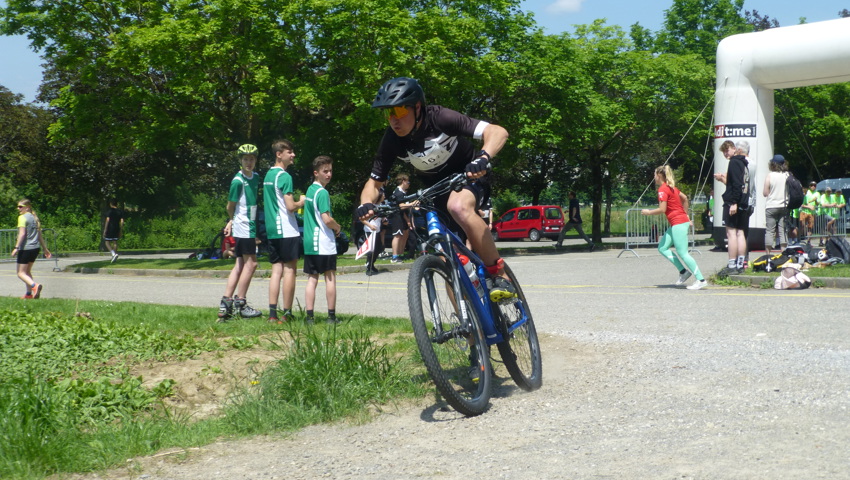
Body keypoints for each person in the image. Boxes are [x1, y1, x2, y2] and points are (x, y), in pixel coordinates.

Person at [356, 77, 514, 302]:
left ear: (417, 107)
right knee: (449, 261)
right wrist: (365, 204)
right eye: (388, 113)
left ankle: (499, 275)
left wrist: (483, 157)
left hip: (469, 176)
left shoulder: (440, 117)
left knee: (458, 206)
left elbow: (497, 132)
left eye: (399, 110)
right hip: (437, 191)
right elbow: (373, 184)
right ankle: (467, 323)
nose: (393, 119)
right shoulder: (391, 140)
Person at [641, 166, 707, 290]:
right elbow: (685, 198)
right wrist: (686, 215)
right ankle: (683, 272)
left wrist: (648, 212)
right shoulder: (671, 188)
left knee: (683, 253)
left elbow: (662, 209)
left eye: (654, 175)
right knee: (662, 248)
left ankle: (701, 279)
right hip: (678, 222)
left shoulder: (662, 189)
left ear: (659, 176)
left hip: (678, 223)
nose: (654, 177)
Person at [217, 144, 263, 322]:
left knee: (240, 264)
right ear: (240, 161)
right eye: (245, 159)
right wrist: (232, 220)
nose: (248, 162)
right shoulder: (238, 181)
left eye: (251, 159)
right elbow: (230, 206)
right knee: (252, 264)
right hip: (244, 226)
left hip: (249, 224)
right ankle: (241, 303)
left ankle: (225, 304)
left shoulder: (255, 177)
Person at [264, 139, 305, 323]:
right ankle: (286, 314)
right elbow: (290, 206)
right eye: (289, 152)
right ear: (279, 154)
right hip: (287, 230)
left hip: (272, 229)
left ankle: (272, 314)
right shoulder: (285, 176)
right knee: (289, 271)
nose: (293, 154)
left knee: (276, 271)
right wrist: (301, 202)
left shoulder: (268, 175)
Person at [303, 155, 342, 324]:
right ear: (316, 173)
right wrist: (337, 227)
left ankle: (309, 317)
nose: (329, 174)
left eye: (330, 171)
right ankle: (331, 316)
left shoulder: (310, 190)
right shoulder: (323, 193)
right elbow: (326, 219)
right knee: (330, 278)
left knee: (312, 279)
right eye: (325, 171)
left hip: (310, 242)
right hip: (324, 242)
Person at [715, 140, 751, 276]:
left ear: (734, 149)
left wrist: (734, 202)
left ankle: (732, 264)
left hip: (734, 202)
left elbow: (737, 184)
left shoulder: (734, 162)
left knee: (731, 234)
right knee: (740, 233)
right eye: (723, 151)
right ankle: (741, 264)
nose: (725, 153)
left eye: (727, 150)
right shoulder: (744, 162)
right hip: (744, 202)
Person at [11, 199, 52, 299]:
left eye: (20, 207)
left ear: (27, 207)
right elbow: (39, 235)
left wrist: (16, 247)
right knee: (27, 272)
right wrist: (45, 248)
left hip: (26, 248)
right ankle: (29, 294)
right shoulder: (34, 218)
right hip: (35, 248)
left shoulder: (22, 217)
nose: (18, 209)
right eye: (18, 206)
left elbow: (22, 234)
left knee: (20, 273)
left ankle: (35, 286)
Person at [762, 154, 789, 256]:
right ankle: (784, 254)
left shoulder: (770, 175)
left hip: (771, 206)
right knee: (783, 230)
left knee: (770, 231)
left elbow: (765, 193)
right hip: (784, 206)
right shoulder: (787, 175)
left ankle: (768, 255)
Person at [388, 173, 412, 263]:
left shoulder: (403, 193)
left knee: (402, 235)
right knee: (397, 235)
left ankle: (400, 254)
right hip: (396, 216)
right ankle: (394, 256)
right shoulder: (398, 192)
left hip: (401, 216)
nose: (408, 184)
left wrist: (407, 220)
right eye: (408, 182)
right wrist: (412, 204)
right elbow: (401, 206)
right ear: (403, 181)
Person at [103, 198, 124, 263]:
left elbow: (107, 220)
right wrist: (121, 229)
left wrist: (105, 229)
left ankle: (113, 254)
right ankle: (114, 256)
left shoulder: (109, 211)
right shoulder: (120, 211)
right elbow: (122, 221)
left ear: (110, 204)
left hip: (110, 227)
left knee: (107, 242)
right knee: (115, 242)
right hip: (117, 227)